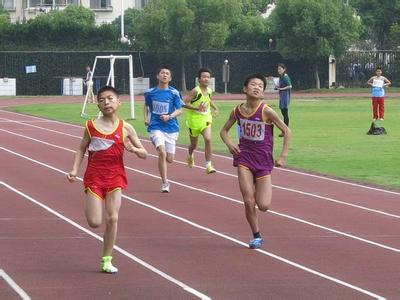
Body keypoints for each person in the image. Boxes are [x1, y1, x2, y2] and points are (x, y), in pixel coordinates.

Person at [67, 86, 148, 273]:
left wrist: (134, 150)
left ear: (119, 102)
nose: (106, 102)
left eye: (110, 98)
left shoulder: (126, 127)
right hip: (94, 177)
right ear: (97, 103)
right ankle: (90, 203)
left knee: (112, 218)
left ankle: (107, 259)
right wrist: (74, 169)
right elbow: (81, 149)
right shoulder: (90, 126)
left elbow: (144, 154)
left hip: (116, 177)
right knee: (95, 222)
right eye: (102, 99)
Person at [220, 73, 291, 249]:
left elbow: (287, 131)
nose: (257, 87)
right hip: (244, 157)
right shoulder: (237, 111)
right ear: (245, 89)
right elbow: (223, 131)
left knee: (264, 205)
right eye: (253, 84)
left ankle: (259, 185)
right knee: (248, 200)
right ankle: (256, 235)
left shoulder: (266, 111)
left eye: (260, 86)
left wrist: (282, 156)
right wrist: (230, 145)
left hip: (263, 161)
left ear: (263, 92)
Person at [144, 66, 183, 193]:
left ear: (170, 78)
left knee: (170, 159)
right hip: (156, 126)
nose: (164, 75)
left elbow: (180, 110)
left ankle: (158, 143)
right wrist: (146, 117)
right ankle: (165, 182)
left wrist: (169, 116)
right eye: (162, 73)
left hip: (171, 128)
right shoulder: (149, 93)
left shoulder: (174, 93)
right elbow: (147, 105)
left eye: (167, 74)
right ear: (157, 76)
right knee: (162, 153)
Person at [184, 68, 219, 173]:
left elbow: (209, 100)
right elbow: (185, 103)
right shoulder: (195, 91)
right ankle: (190, 154)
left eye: (208, 77)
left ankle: (208, 165)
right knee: (193, 145)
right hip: (194, 121)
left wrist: (215, 108)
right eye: (204, 77)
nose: (206, 79)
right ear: (199, 79)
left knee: (208, 139)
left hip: (206, 119)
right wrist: (196, 108)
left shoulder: (209, 91)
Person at [275, 63, 292, 137]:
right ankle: (284, 130)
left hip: (285, 96)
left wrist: (281, 89)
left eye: (280, 69)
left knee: (285, 113)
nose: (279, 70)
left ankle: (285, 131)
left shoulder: (285, 77)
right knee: (283, 113)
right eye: (278, 69)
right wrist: (278, 87)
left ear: (284, 69)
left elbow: (290, 86)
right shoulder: (281, 77)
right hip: (282, 96)